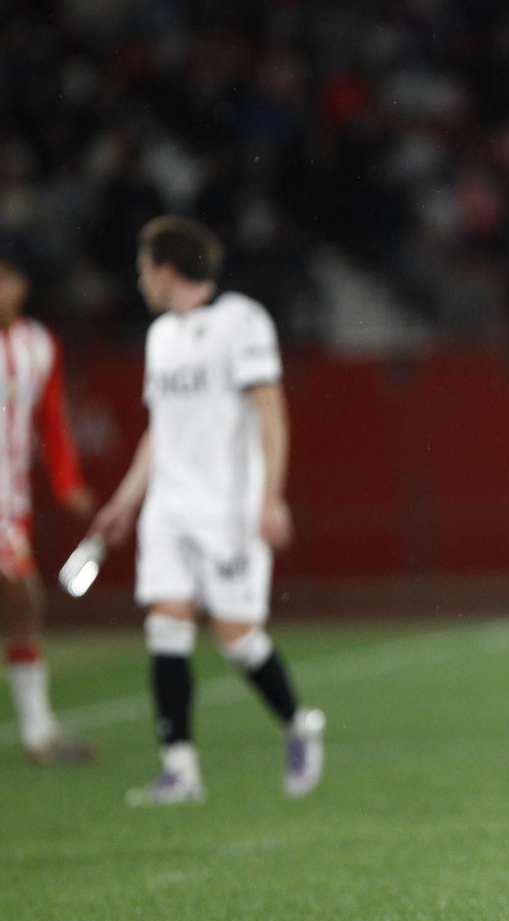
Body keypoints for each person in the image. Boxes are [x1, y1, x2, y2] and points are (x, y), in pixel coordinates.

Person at [89, 216, 323, 805]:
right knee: (165, 628)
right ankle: (180, 770)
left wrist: (271, 497)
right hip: (167, 507)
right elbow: (158, 430)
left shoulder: (240, 321)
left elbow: (270, 412)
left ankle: (299, 723)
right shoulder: (160, 336)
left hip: (228, 509)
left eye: (144, 267)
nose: (140, 279)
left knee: (237, 636)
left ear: (167, 270)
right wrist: (123, 502)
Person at [0, 256, 97, 766]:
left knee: (21, 606)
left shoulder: (39, 346)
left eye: (7, 279)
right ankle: (38, 731)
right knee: (23, 599)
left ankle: (39, 731)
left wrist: (67, 482)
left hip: (11, 505)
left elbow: (51, 419)